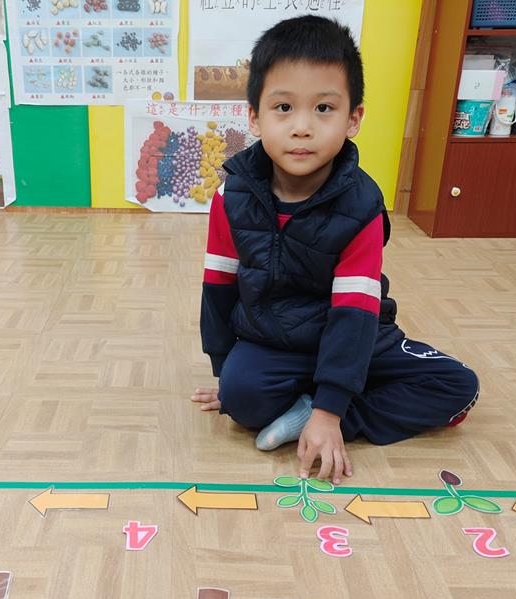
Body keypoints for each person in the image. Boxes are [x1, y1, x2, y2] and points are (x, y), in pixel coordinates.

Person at [191, 15, 479, 483]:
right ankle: (309, 399)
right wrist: (225, 369)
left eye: (324, 108)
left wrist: (330, 412)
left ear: (353, 119)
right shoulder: (231, 196)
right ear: (254, 117)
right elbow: (218, 287)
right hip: (275, 339)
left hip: (357, 336)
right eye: (283, 107)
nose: (302, 127)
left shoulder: (363, 206)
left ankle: (322, 414)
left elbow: (354, 312)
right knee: (242, 400)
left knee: (458, 387)